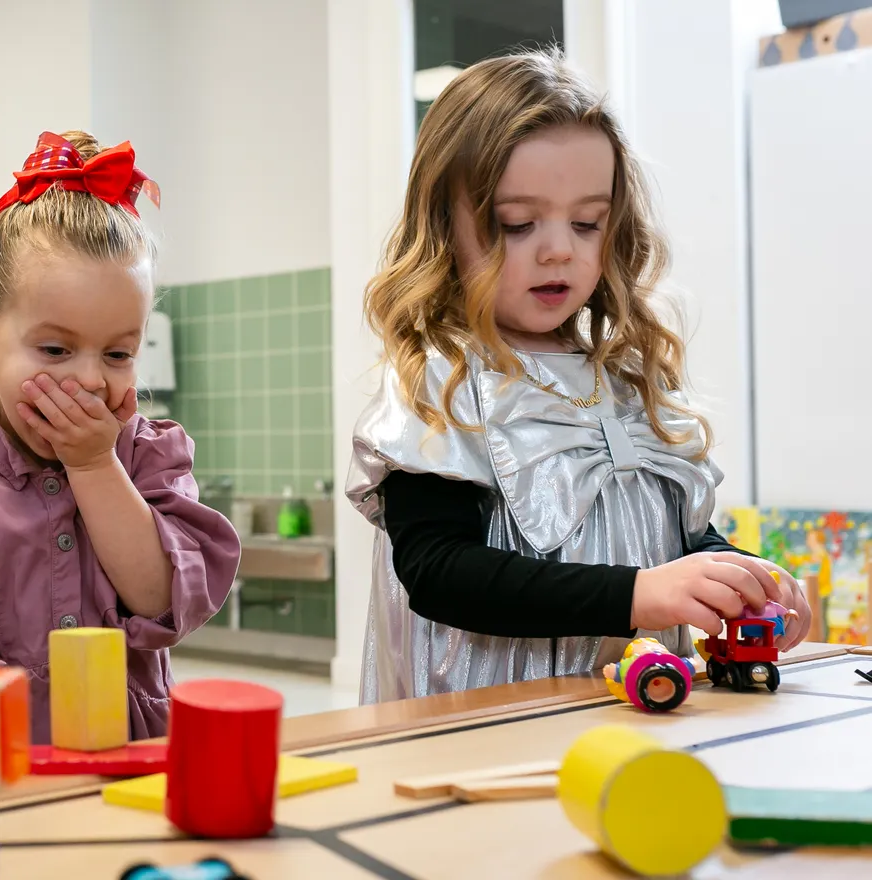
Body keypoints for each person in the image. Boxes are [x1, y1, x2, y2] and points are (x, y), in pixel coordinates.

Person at [345, 49, 813, 704]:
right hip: (486, 729)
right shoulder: (442, 379)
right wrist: (639, 595)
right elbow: (438, 572)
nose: (560, 247)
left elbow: (675, 539)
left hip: (634, 713)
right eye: (517, 224)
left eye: (587, 221)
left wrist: (736, 575)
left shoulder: (627, 378)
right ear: (444, 228)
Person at [0, 130, 241, 743]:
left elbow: (161, 599)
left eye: (118, 353)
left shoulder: (147, 458)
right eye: (55, 349)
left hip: (131, 766)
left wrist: (94, 466)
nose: (88, 380)